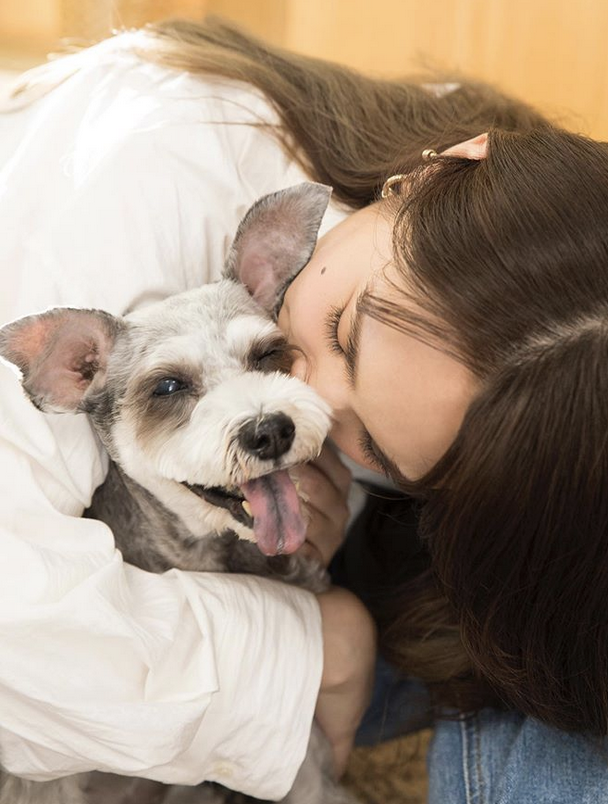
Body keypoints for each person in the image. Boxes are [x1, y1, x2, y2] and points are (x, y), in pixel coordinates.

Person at [1, 16, 608, 804]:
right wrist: (320, 644)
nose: (305, 408)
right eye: (343, 330)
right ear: (438, 172)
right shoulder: (141, 172)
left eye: (377, 450)